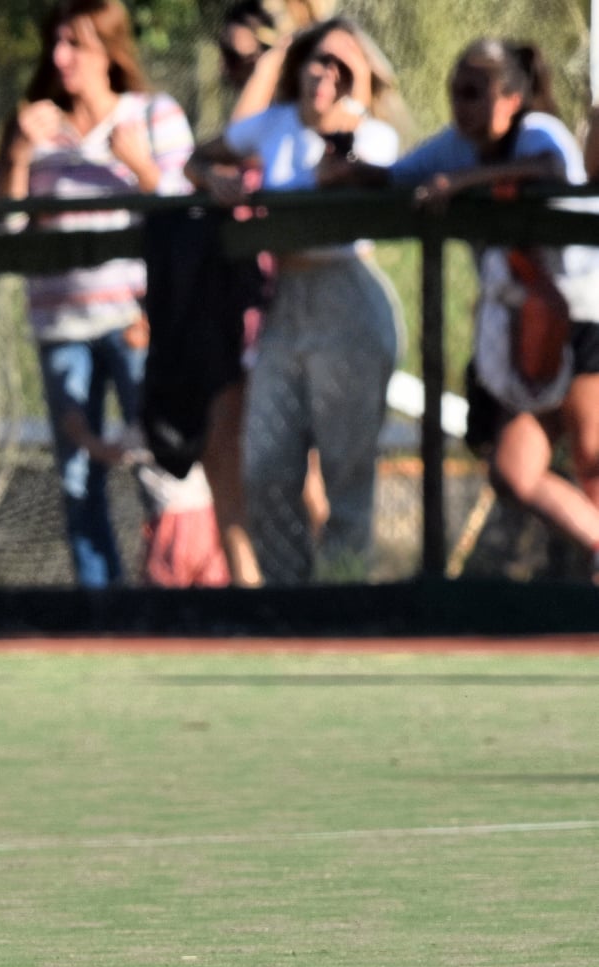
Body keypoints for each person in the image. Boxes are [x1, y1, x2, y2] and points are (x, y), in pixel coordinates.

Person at [331, 40, 599, 573]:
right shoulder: (456, 145)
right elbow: (400, 176)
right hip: (525, 329)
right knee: (513, 470)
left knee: (593, 459)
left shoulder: (538, 133)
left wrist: (463, 183)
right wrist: (347, 166)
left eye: (473, 93)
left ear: (509, 98)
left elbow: (548, 167)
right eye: (455, 92)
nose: (461, 105)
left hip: (583, 316)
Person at [187, 17, 404, 584]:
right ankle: (287, 603)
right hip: (285, 304)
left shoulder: (372, 134)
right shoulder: (274, 126)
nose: (326, 73)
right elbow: (198, 157)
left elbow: (367, 171)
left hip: (346, 299)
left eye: (342, 65)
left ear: (362, 77)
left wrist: (342, 166)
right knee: (265, 465)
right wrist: (217, 181)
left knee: (345, 469)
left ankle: (344, 600)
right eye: (318, 59)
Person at [0, 0, 194, 588]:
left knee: (158, 466)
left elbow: (188, 211)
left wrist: (140, 167)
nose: (60, 58)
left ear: (109, 50)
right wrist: (17, 152)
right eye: (55, 44)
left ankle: (171, 598)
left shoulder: (153, 115)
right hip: (62, 329)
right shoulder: (36, 126)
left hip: (137, 323)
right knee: (78, 477)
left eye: (75, 44)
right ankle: (99, 612)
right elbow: (3, 227)